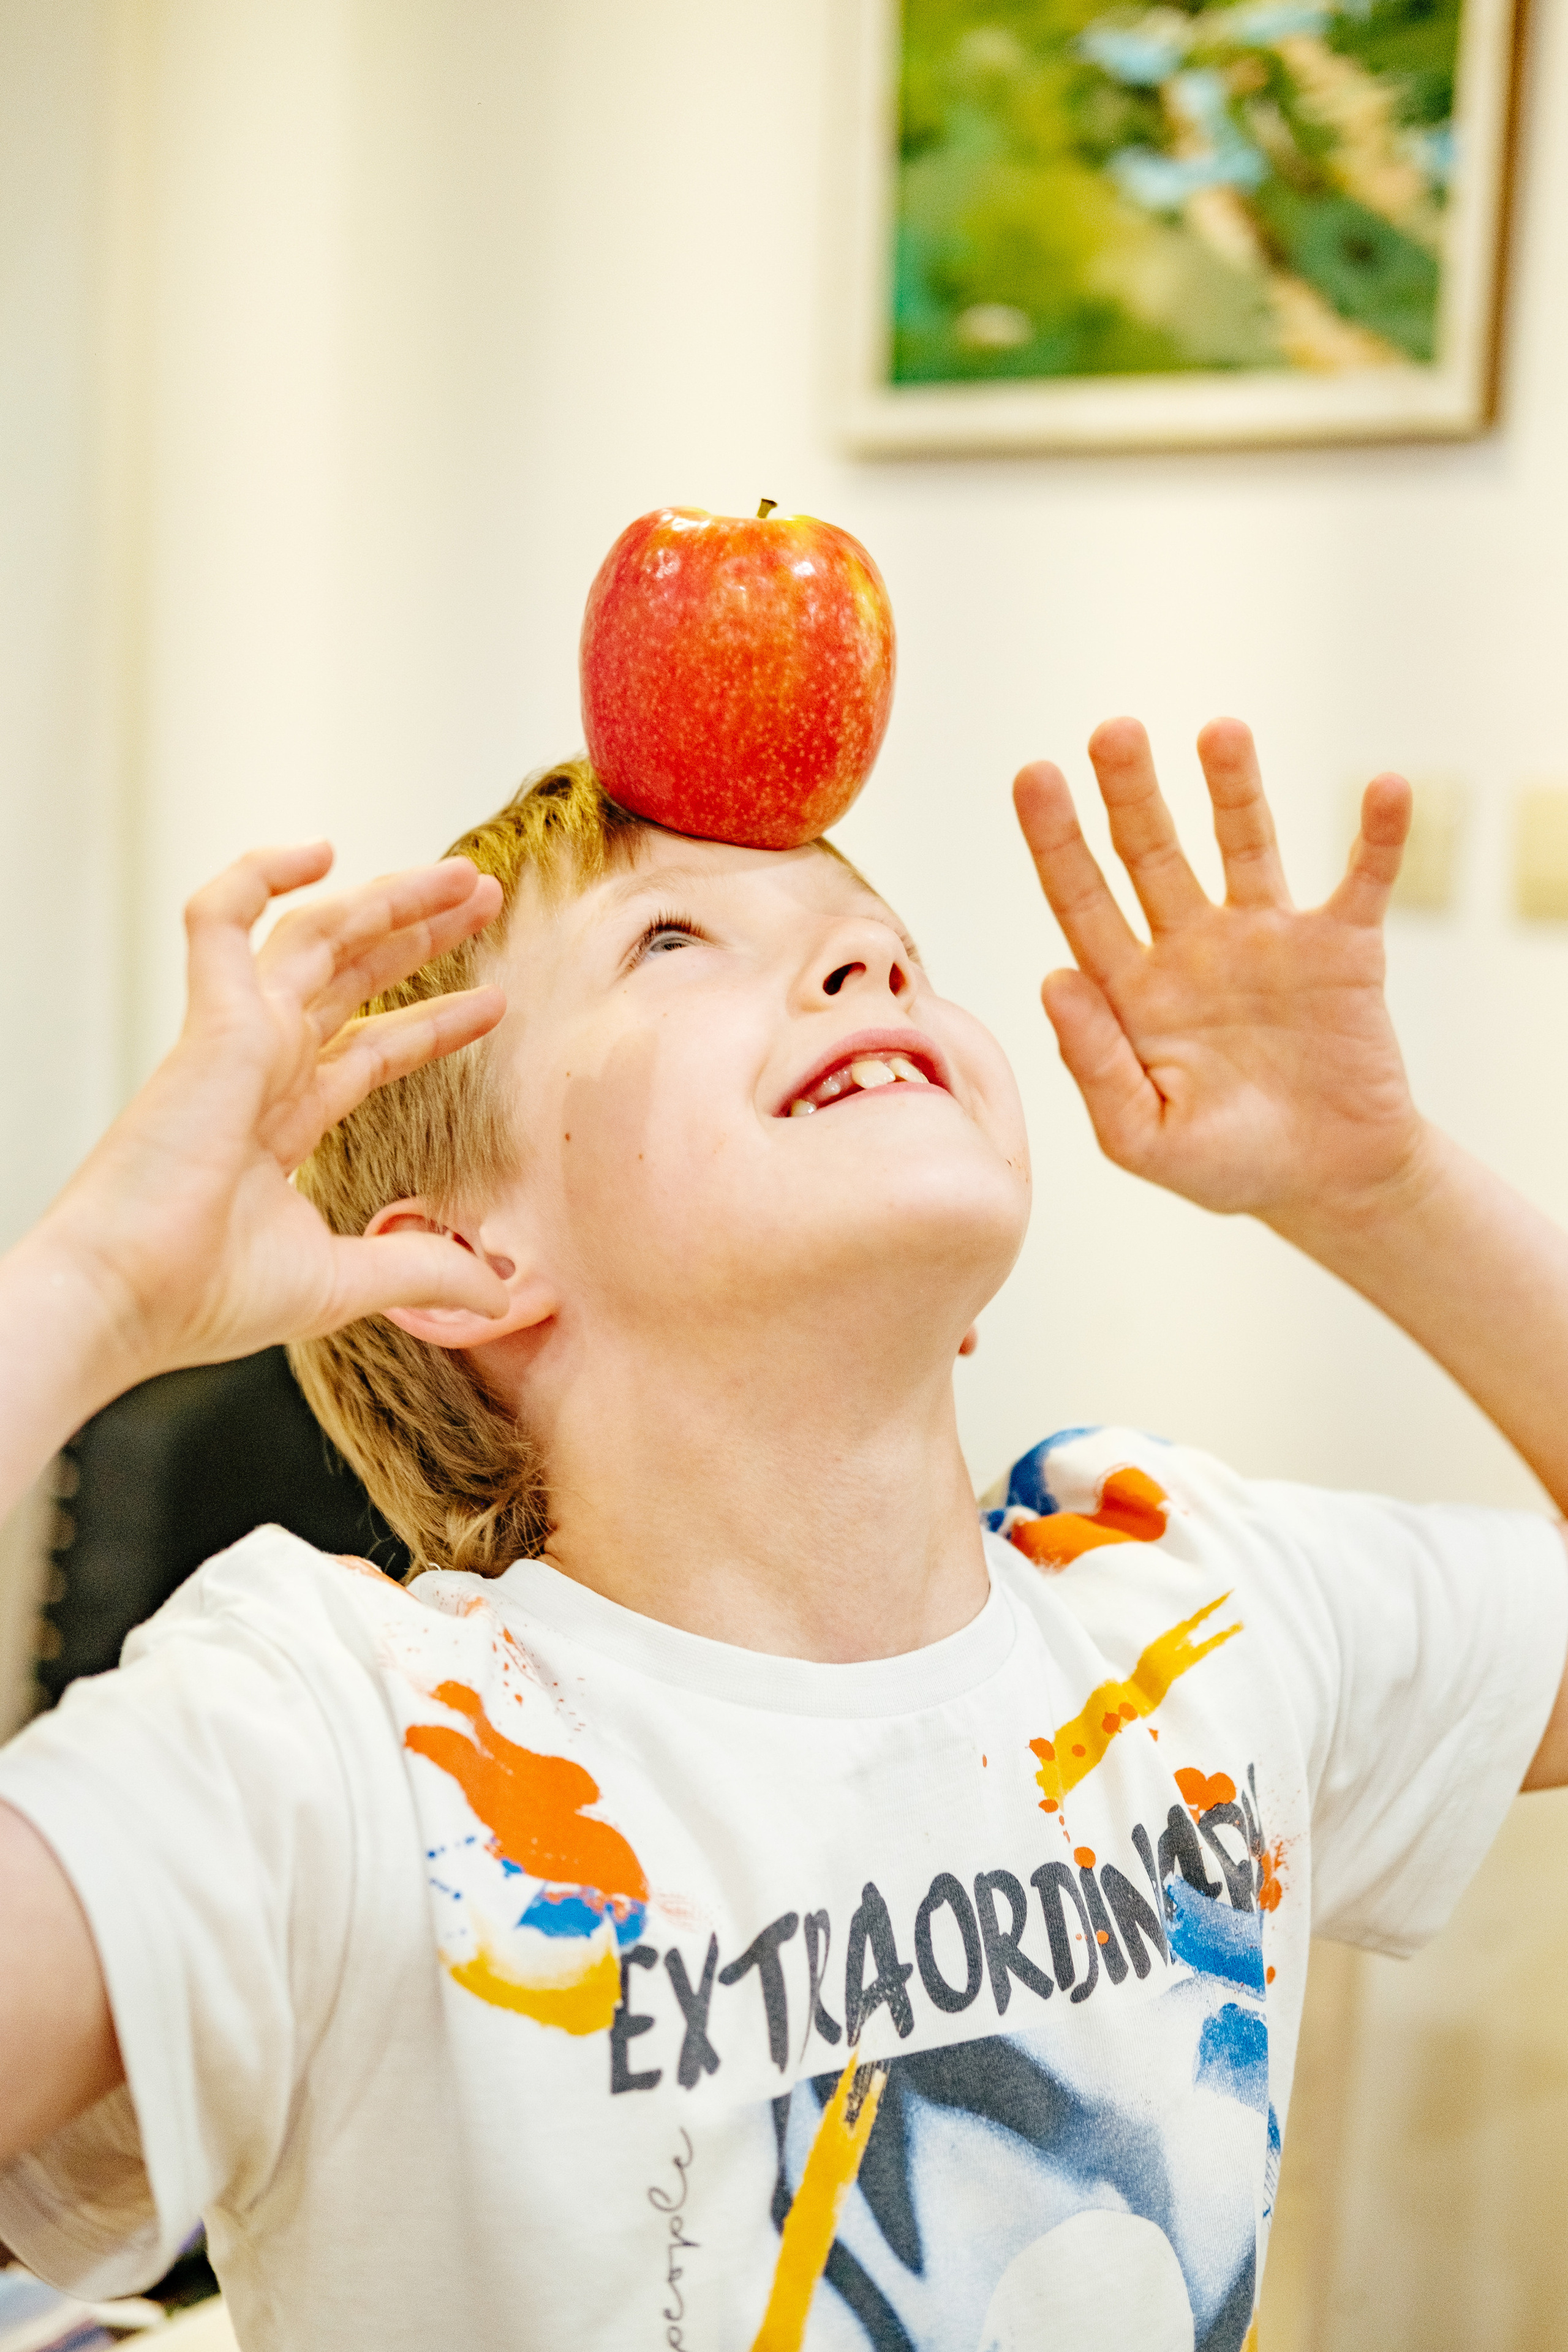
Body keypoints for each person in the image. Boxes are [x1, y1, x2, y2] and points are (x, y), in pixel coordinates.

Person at [1, 720, 1564, 2352]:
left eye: (883, 942)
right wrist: (89, 1292)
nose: (861, 956)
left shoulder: (1182, 1599)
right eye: (671, 939)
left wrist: (1381, 1190)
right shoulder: (343, 1747)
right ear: (464, 1254)